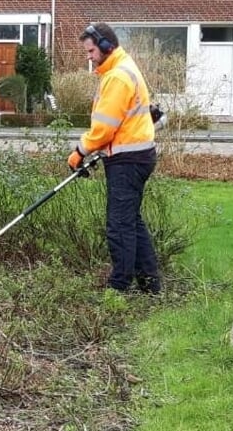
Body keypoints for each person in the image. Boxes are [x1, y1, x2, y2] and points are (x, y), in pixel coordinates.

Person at [66, 23, 161, 294]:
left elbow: (105, 127)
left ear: (106, 46)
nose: (89, 56)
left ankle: (118, 288)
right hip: (133, 155)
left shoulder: (117, 76)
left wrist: (80, 151)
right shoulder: (121, 68)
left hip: (128, 159)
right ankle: (150, 285)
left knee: (119, 225)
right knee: (131, 221)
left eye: (92, 50)